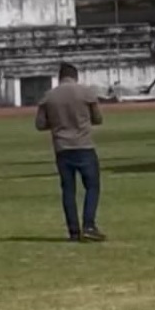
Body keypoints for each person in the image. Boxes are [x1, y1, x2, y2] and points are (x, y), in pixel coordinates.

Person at [35, 62, 106, 242]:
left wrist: (58, 124)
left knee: (68, 190)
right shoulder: (86, 93)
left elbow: (40, 124)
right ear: (75, 76)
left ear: (59, 77)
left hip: (62, 148)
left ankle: (73, 231)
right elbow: (98, 119)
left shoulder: (48, 97)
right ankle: (89, 224)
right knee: (92, 186)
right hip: (84, 145)